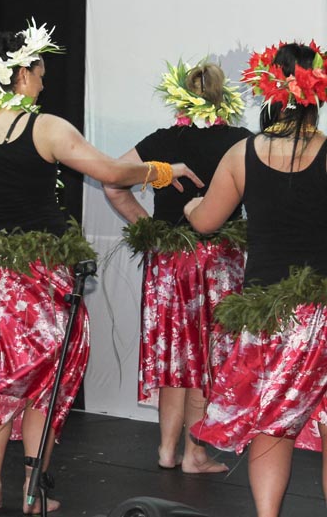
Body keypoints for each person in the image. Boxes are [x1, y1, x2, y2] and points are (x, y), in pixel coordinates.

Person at [0, 19, 201, 514]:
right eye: (42, 73)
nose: (45, 83)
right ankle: (33, 492)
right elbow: (113, 173)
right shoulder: (46, 127)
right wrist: (163, 170)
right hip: (39, 272)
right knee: (41, 379)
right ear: (23, 75)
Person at [184, 41, 327, 517]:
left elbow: (205, 221)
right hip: (324, 311)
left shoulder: (241, 153)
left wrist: (188, 206)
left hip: (270, 314)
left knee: (272, 422)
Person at [103, 60, 251, 473]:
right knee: (204, 356)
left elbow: (113, 182)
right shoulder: (240, 142)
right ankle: (195, 453)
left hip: (169, 262)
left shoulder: (161, 139)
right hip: (218, 262)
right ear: (224, 99)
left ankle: (167, 451)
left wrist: (150, 229)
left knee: (174, 356)